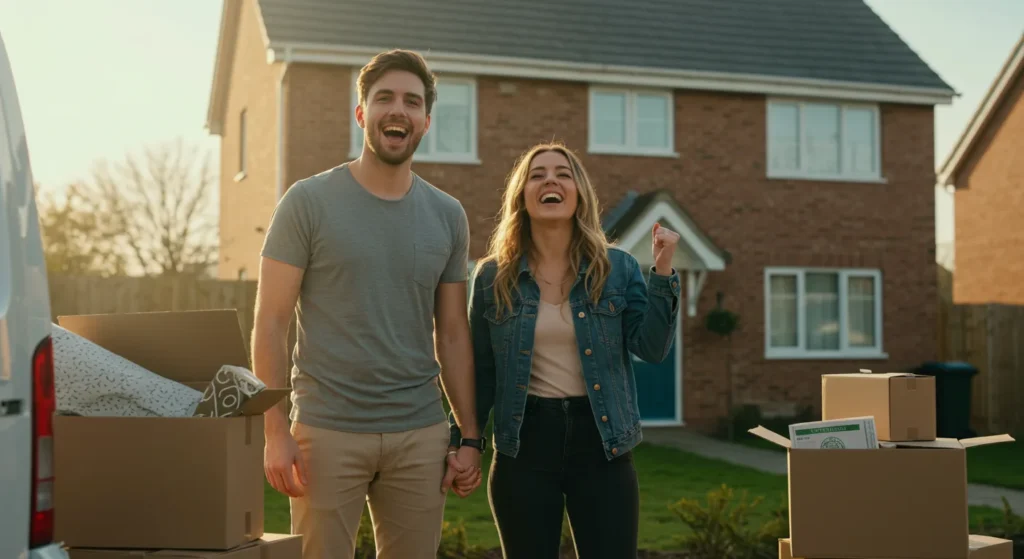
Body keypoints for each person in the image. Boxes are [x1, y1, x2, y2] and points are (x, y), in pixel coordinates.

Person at [252, 48, 484, 559]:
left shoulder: (448, 215)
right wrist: (274, 433)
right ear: (362, 114)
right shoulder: (307, 202)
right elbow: (270, 323)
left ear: (425, 121)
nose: (397, 109)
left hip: (420, 433)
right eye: (384, 98)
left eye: (411, 101)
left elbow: (451, 333)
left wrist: (468, 436)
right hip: (326, 429)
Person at [448, 142, 682, 558]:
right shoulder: (491, 277)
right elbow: (480, 369)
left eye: (563, 173)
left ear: (579, 194)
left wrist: (662, 272)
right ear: (521, 195)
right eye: (537, 174)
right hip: (523, 445)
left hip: (602, 443)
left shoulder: (618, 268)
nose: (550, 180)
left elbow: (652, 347)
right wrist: (466, 441)